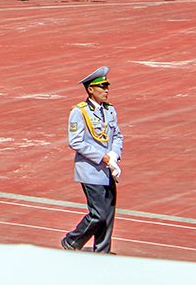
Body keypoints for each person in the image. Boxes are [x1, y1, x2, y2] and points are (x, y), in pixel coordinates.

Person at [62, 67, 123, 253]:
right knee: (99, 214)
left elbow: (117, 135)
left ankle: (102, 251)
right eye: (102, 87)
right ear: (90, 89)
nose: (106, 90)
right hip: (90, 170)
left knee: (108, 213)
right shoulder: (79, 112)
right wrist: (102, 157)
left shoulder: (110, 110)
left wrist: (114, 155)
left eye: (107, 86)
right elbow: (76, 141)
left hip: (108, 169)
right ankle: (72, 240)